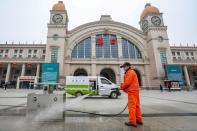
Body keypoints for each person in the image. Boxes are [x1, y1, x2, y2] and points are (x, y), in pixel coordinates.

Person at [119, 62, 143, 127]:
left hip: (132, 92)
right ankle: (139, 119)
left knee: (131, 107)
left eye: (124, 67)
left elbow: (127, 83)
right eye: (123, 67)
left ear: (128, 66)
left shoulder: (130, 72)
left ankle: (132, 122)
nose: (123, 68)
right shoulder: (131, 72)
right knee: (136, 106)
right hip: (135, 91)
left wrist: (121, 87)